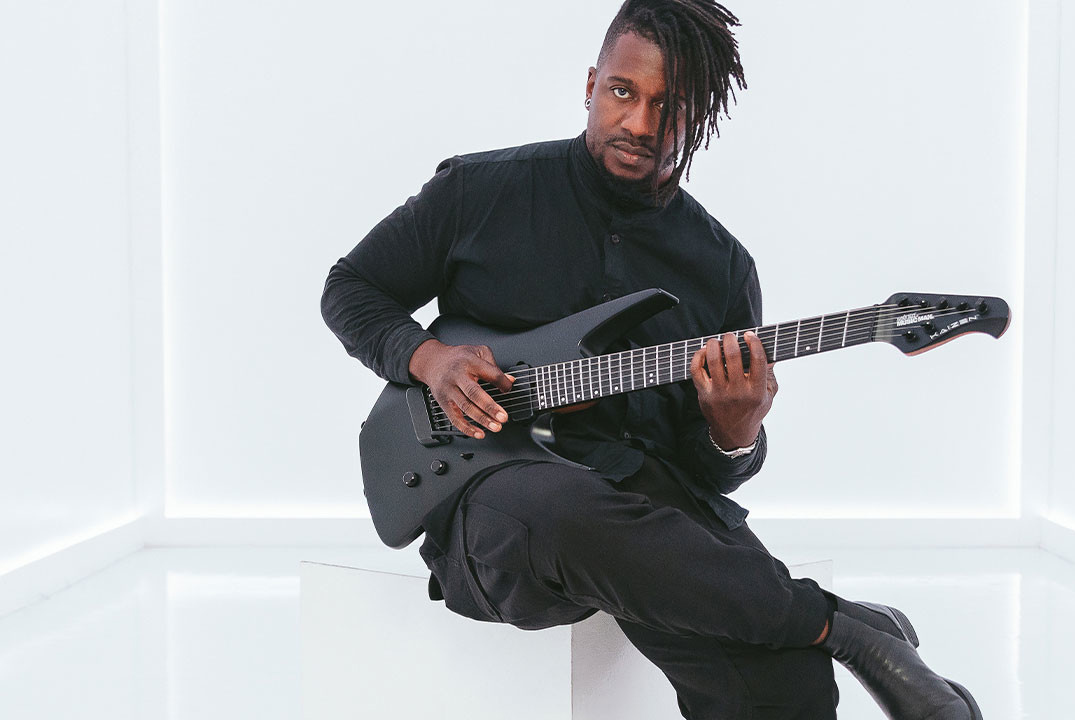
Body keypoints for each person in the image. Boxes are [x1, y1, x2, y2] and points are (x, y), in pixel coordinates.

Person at [321, 1, 982, 718]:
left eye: (669, 107)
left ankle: (814, 632)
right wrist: (428, 358)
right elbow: (351, 288)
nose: (639, 124)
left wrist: (734, 433)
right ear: (590, 84)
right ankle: (844, 625)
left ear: (702, 119)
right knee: (563, 508)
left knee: (786, 681)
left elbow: (707, 470)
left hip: (648, 519)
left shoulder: (722, 268)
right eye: (622, 91)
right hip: (491, 508)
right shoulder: (478, 193)